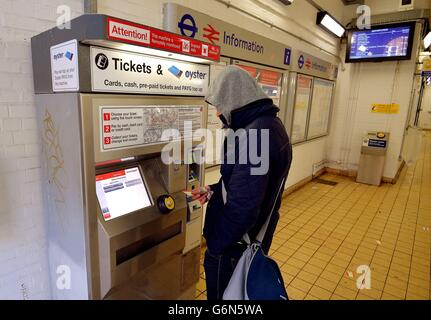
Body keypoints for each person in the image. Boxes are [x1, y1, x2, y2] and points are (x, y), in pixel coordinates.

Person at [192, 65, 292, 300]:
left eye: (220, 105)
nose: (217, 113)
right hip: (247, 241)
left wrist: (216, 245)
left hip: (233, 248)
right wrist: (215, 190)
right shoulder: (269, 125)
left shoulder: (255, 137)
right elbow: (248, 184)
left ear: (235, 99)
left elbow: (244, 208)